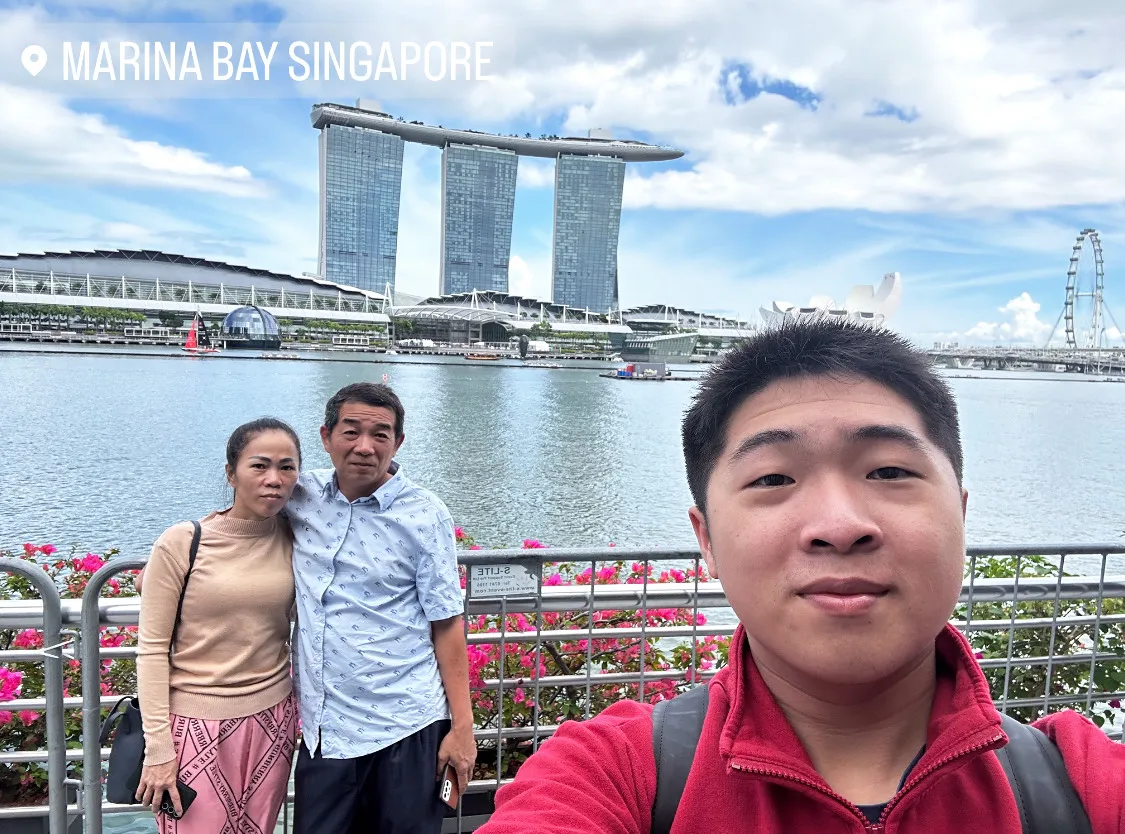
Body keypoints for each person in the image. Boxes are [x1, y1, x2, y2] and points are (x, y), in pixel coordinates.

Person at [477, 318, 1125, 833]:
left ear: (958, 513)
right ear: (706, 540)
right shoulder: (612, 775)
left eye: (889, 471)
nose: (838, 524)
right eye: (772, 479)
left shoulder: (1080, 783)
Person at [286, 381, 476, 834]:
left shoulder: (425, 514)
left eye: (381, 434)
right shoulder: (298, 496)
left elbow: (447, 623)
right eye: (350, 432)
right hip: (324, 732)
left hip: (405, 724)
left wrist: (462, 729)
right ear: (325, 436)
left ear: (398, 443)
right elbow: (243, 511)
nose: (365, 447)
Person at [135, 417, 302, 833]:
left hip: (273, 718)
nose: (274, 479)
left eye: (287, 467)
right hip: (195, 723)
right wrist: (158, 748)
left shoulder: (297, 537)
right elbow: (152, 649)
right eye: (259, 466)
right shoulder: (181, 542)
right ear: (231, 473)